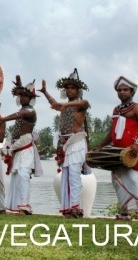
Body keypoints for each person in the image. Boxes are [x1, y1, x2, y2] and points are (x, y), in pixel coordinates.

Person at [96, 76, 138, 222]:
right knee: (117, 182)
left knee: (133, 180)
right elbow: (112, 131)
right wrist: (101, 146)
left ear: (131, 91)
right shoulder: (116, 109)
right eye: (119, 90)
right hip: (116, 152)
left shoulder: (137, 108)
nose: (122, 92)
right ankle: (124, 213)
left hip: (131, 151)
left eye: (125, 90)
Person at [38, 68, 90, 219]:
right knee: (66, 176)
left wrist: (64, 104)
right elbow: (55, 104)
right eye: (67, 88)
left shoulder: (81, 105)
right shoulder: (64, 106)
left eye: (72, 88)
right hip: (64, 144)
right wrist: (45, 92)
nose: (69, 90)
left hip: (77, 142)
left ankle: (75, 208)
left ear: (78, 90)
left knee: (74, 175)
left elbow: (85, 102)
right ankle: (69, 208)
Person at [0, 76, 43, 215]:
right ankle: (17, 206)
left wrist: (3, 118)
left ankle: (25, 205)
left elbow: (21, 114)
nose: (22, 98)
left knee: (23, 174)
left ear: (31, 98)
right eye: (20, 96)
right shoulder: (23, 109)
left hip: (26, 146)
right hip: (17, 147)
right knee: (17, 176)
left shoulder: (30, 111)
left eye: (25, 96)